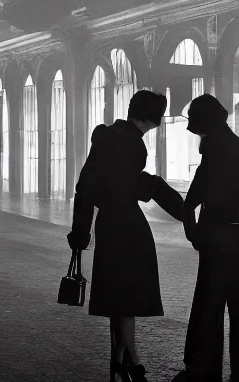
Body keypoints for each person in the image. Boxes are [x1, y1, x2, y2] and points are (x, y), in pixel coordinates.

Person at [67, 89, 182, 382]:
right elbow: (126, 184)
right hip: (127, 224)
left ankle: (120, 362)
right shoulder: (130, 142)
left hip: (109, 224)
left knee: (119, 294)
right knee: (127, 294)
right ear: (152, 118)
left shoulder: (109, 137)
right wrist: (154, 188)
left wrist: (81, 230)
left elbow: (87, 186)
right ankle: (132, 360)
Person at [173, 94, 239, 382]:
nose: (196, 135)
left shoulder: (216, 146)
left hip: (221, 239)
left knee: (209, 305)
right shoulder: (234, 144)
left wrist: (191, 223)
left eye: (197, 127)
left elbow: (201, 190)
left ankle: (202, 369)